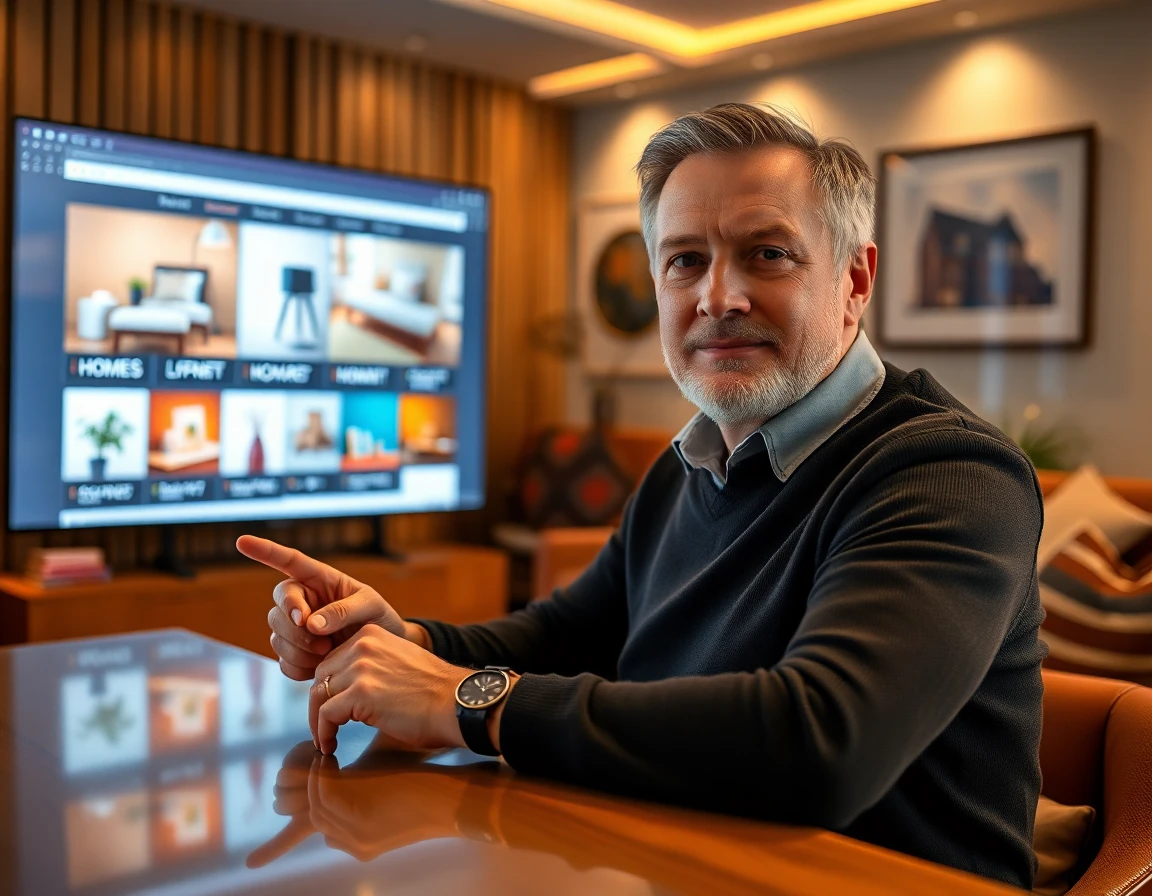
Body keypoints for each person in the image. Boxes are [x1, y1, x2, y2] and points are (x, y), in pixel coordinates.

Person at [239, 102, 1045, 890]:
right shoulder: (688, 463)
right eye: (684, 260)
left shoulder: (949, 473)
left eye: (767, 254)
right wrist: (409, 641)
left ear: (854, 279)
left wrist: (467, 701)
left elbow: (823, 744)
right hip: (672, 855)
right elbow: (572, 633)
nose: (716, 297)